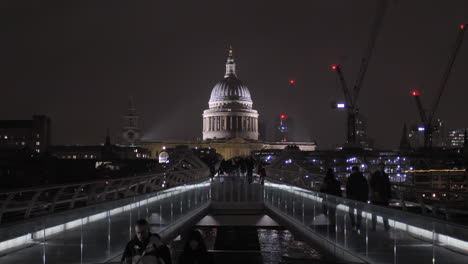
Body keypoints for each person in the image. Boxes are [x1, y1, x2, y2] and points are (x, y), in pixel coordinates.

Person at [346, 166, 369, 232]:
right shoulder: (363, 178)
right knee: (359, 212)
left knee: (351, 211)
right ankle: (358, 225)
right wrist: (365, 198)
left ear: (352, 170)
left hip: (352, 197)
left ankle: (353, 224)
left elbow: (348, 188)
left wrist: (348, 197)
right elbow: (366, 188)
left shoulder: (350, 178)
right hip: (361, 198)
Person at [369, 163, 391, 231]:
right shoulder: (380, 175)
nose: (382, 168)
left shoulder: (376, 175)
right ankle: (379, 226)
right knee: (381, 212)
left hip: (381, 197)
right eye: (381, 167)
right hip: (378, 196)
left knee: (381, 212)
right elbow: (371, 184)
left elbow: (388, 186)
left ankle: (381, 226)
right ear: (378, 167)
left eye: (382, 167)